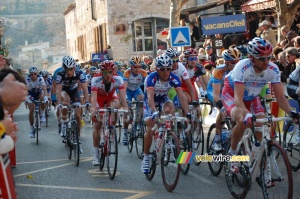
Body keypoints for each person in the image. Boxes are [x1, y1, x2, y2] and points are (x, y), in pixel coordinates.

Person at [221, 37, 296, 178]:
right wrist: (247, 114)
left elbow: (280, 97)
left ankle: (255, 155)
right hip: (232, 94)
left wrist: (292, 112)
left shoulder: (273, 69)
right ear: (251, 58)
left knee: (261, 123)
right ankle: (232, 154)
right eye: (262, 58)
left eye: (268, 57)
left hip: (251, 95)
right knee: (243, 119)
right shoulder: (242, 67)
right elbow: (238, 99)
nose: (266, 62)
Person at [141, 54, 191, 174]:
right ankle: (146, 157)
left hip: (163, 99)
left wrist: (188, 114)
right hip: (151, 102)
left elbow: (182, 97)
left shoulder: (174, 78)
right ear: (157, 69)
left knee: (170, 109)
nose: (165, 72)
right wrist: (153, 112)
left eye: (168, 69)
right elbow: (150, 98)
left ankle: (168, 134)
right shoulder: (151, 78)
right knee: (150, 125)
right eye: (162, 69)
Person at [90, 60, 128, 166]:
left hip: (111, 97)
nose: (108, 75)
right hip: (99, 99)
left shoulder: (118, 79)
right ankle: (96, 155)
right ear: (102, 72)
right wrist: (93, 110)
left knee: (116, 106)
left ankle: (111, 128)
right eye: (105, 72)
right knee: (98, 124)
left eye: (110, 72)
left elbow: (123, 98)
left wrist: (126, 109)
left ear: (113, 72)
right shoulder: (95, 79)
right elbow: (93, 98)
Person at [206, 48, 242, 152]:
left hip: (229, 92)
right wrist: (222, 106)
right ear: (226, 62)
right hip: (215, 90)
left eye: (238, 62)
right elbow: (216, 94)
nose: (236, 65)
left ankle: (232, 136)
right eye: (233, 63)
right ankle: (217, 139)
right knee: (224, 110)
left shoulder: (241, 70)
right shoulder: (219, 71)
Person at [56, 56, 90, 153]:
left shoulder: (80, 73)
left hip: (74, 92)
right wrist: (58, 102)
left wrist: (87, 101)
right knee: (65, 101)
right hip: (64, 91)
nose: (69, 71)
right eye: (67, 69)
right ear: (64, 68)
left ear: (74, 68)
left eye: (71, 69)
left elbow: (85, 89)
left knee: (78, 115)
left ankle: (77, 139)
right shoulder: (60, 74)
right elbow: (58, 90)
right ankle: (64, 122)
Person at [122, 56, 147, 145]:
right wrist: (125, 99)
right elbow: (124, 88)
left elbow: (147, 87)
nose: (137, 69)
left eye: (139, 67)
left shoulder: (143, 73)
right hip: (128, 91)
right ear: (131, 67)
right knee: (127, 112)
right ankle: (125, 133)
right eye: (135, 67)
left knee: (142, 100)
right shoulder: (127, 73)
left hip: (137, 90)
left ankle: (139, 119)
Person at [25, 66, 48, 138]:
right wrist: (26, 99)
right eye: (31, 74)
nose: (33, 75)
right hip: (31, 93)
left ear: (37, 73)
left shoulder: (40, 78)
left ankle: (42, 113)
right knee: (31, 110)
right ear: (30, 74)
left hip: (39, 92)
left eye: (35, 74)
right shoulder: (27, 79)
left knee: (43, 98)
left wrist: (46, 98)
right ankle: (31, 128)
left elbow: (44, 89)